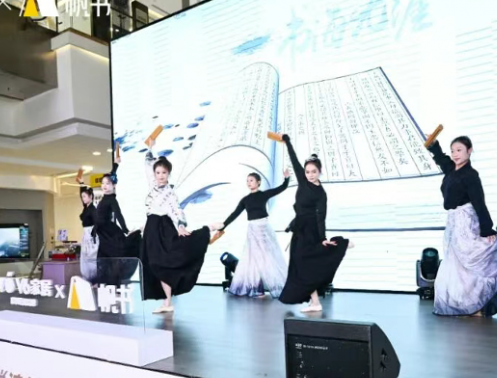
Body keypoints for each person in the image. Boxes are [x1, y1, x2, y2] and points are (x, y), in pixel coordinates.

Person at [426, 136, 497, 317]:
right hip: (453, 221)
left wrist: (486, 229)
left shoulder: (470, 175)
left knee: (473, 257)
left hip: (466, 219)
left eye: (459, 150)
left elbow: (479, 202)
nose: (455, 154)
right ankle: (471, 306)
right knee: (457, 265)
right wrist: (434, 145)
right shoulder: (452, 169)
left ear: (469, 151)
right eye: (453, 150)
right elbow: (442, 160)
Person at [278, 134, 350, 312]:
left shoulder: (321, 193)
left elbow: (321, 217)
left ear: (320, 172)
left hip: (310, 231)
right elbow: (294, 160)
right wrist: (287, 141)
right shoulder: (303, 181)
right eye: (307, 172)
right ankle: (315, 302)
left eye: (313, 172)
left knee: (305, 265)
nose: (310, 175)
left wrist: (322, 238)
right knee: (299, 265)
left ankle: (342, 244)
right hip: (299, 229)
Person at [141, 151, 219, 313]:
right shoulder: (152, 185)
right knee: (154, 265)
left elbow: (176, 210)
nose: (160, 176)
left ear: (168, 174)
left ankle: (207, 229)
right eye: (158, 172)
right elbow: (148, 165)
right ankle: (167, 302)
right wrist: (150, 148)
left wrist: (181, 225)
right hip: (151, 229)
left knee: (162, 263)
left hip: (163, 228)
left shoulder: (170, 193)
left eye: (164, 173)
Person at [214, 170, 290, 298]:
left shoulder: (264, 195)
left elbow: (281, 188)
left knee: (268, 258)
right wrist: (223, 225)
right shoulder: (245, 200)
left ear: (258, 182)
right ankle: (257, 289)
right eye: (247, 181)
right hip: (253, 230)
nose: (249, 183)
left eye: (251, 180)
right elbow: (234, 214)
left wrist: (287, 179)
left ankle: (280, 286)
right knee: (253, 260)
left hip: (264, 229)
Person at [94, 163, 142, 285]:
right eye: (103, 183)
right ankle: (103, 283)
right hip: (102, 231)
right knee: (103, 257)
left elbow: (118, 214)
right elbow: (112, 175)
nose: (104, 186)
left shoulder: (111, 199)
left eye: (108, 183)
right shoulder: (105, 197)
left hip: (108, 231)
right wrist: (115, 165)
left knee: (110, 257)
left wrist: (125, 230)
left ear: (113, 185)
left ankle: (112, 283)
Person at [76, 182, 99, 281]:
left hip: (91, 235)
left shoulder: (93, 209)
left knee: (91, 258)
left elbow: (97, 222)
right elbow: (81, 193)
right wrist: (81, 184)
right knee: (84, 258)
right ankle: (86, 278)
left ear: (91, 197)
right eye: (82, 197)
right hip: (86, 234)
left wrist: (93, 235)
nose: (83, 199)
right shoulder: (86, 208)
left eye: (85, 196)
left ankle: (93, 279)